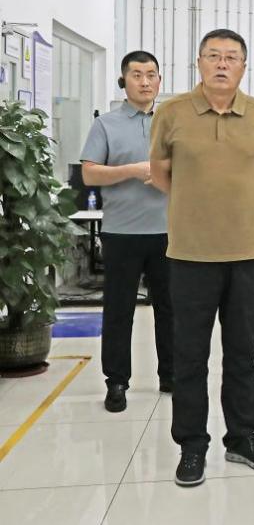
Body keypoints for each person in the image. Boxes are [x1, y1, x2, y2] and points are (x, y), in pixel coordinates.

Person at [150, 29, 254, 487]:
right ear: (199, 63)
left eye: (231, 57)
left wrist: (235, 212)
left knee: (243, 352)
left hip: (247, 252)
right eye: (213, 56)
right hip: (190, 253)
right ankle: (192, 445)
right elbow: (161, 174)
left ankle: (242, 437)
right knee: (190, 355)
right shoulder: (172, 113)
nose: (222, 64)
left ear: (244, 66)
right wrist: (198, 207)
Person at [80, 50, 172, 413]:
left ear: (159, 81)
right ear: (124, 81)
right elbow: (89, 173)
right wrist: (133, 170)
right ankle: (116, 382)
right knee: (119, 311)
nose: (145, 82)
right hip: (121, 233)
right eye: (137, 75)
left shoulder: (171, 123)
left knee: (171, 309)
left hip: (169, 232)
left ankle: (172, 374)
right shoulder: (106, 125)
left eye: (151, 75)